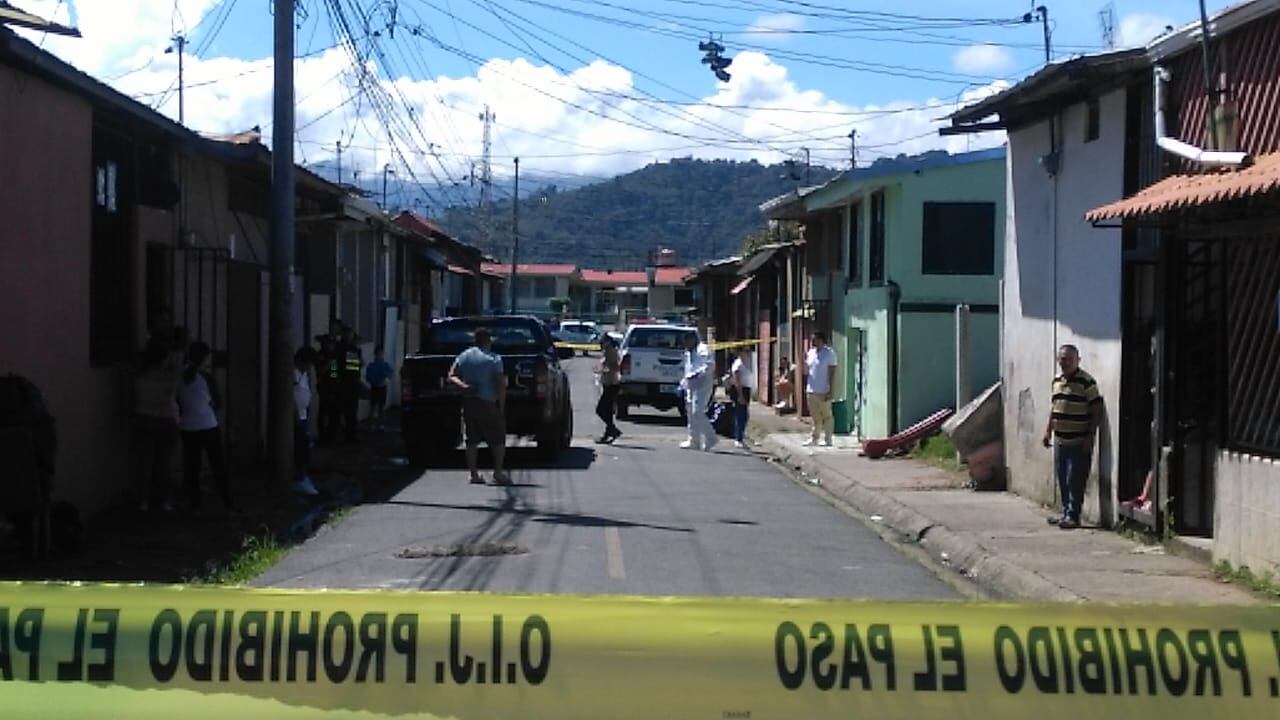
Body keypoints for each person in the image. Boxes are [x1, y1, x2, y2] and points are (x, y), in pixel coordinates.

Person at [1042, 344, 1103, 530]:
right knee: (1062, 478)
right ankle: (1066, 512)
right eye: (1062, 359)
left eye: (1068, 359)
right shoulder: (1056, 381)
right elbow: (1055, 409)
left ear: (1078, 360)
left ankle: (1073, 515)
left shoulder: (1087, 382)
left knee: (1074, 479)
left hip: (1079, 440)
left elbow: (1096, 408)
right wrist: (1048, 431)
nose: (1064, 362)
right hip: (1061, 440)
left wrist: (1090, 436)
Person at [177, 342, 233, 513]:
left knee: (192, 466)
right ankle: (227, 503)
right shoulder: (206, 377)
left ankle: (195, 504)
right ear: (204, 358)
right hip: (208, 425)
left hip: (187, 425)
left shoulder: (180, 374)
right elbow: (217, 403)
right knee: (218, 466)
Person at [448, 327, 510, 485]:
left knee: (471, 439)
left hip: (469, 401)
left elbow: (451, 375)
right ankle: (497, 472)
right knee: (498, 438)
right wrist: (502, 407)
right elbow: (500, 385)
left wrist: (463, 386)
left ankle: (473, 474)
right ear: (488, 341)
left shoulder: (465, 356)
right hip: (488, 402)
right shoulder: (494, 359)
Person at [134, 335, 182, 512]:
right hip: (166, 418)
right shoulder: (170, 376)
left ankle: (144, 501)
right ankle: (164, 501)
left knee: (145, 463)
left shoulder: (140, 376)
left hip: (144, 417)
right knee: (165, 464)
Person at [680, 332, 717, 452]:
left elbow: (709, 365)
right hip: (691, 385)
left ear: (693, 339)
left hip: (703, 385)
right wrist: (683, 383)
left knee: (697, 412)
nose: (686, 345)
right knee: (690, 412)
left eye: (687, 341)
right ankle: (694, 440)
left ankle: (711, 437)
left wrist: (698, 375)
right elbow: (688, 368)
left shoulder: (703, 350)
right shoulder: (688, 352)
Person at [293, 347, 320, 496]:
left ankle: (304, 477)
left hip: (304, 415)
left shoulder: (304, 374)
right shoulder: (293, 373)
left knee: (306, 447)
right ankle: (300, 479)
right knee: (301, 449)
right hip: (297, 416)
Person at [804, 332, 838, 447]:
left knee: (827, 416)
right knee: (815, 416)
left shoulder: (829, 353)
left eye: (815, 339)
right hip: (811, 389)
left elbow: (832, 371)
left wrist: (830, 389)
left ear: (821, 340)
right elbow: (807, 370)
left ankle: (828, 438)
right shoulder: (811, 353)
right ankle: (814, 438)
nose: (812, 342)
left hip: (823, 390)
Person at [316, 326, 342, 446]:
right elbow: (321, 371)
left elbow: (335, 372)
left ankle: (331, 436)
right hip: (325, 387)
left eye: (332, 344)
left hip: (335, 387)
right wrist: (329, 362)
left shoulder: (334, 355)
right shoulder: (321, 355)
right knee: (324, 413)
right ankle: (323, 437)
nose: (331, 346)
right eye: (329, 344)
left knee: (334, 414)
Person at [595, 333, 622, 444]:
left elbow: (615, 366)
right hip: (608, 384)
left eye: (602, 342)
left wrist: (605, 369)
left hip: (612, 384)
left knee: (600, 410)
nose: (600, 345)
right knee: (608, 411)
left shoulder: (611, 351)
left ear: (607, 342)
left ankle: (613, 430)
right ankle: (608, 433)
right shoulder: (607, 351)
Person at [338, 325, 363, 443]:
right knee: (344, 410)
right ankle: (347, 435)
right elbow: (352, 365)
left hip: (352, 381)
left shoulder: (353, 349)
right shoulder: (341, 348)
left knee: (352, 411)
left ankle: (351, 435)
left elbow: (357, 365)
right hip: (345, 381)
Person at [731, 347, 756, 449]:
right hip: (740, 390)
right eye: (745, 351)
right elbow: (737, 381)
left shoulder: (747, 363)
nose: (747, 353)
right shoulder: (738, 364)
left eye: (748, 351)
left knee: (744, 415)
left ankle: (740, 436)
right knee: (741, 415)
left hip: (746, 389)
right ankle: (738, 438)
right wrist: (740, 395)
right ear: (740, 353)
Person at [365, 346, 393, 431]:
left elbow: (390, 374)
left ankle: (380, 424)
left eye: (381, 354)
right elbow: (368, 377)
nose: (380, 355)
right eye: (378, 354)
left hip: (382, 387)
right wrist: (373, 381)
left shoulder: (385, 365)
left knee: (381, 407)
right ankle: (371, 424)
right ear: (375, 354)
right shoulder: (372, 365)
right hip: (375, 387)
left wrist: (385, 378)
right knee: (373, 407)